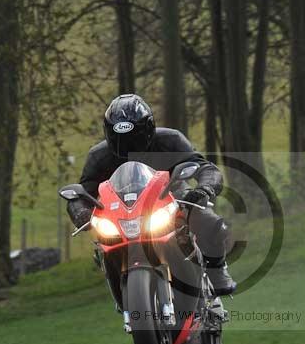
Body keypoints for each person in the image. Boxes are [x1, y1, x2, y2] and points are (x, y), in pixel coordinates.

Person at [66, 93, 236, 296]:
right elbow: (83, 192)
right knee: (102, 243)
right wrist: (81, 212)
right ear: (109, 134)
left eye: (133, 138)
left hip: (172, 197)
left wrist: (204, 188)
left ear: (148, 129)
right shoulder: (99, 155)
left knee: (207, 219)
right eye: (120, 140)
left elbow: (204, 167)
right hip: (120, 211)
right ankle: (119, 286)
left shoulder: (170, 140)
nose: (128, 146)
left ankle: (217, 270)